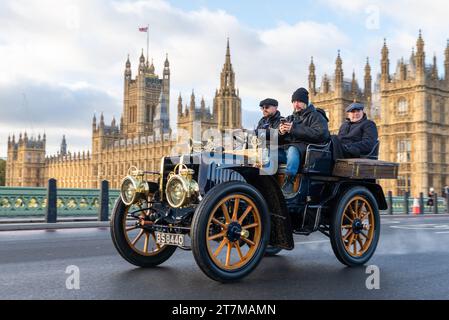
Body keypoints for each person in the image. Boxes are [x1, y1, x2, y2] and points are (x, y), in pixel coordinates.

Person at [278, 87, 330, 195]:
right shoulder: (290, 118)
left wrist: (293, 129)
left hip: (306, 150)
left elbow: (320, 134)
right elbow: (280, 138)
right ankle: (267, 183)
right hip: (287, 149)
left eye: (299, 101)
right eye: (294, 102)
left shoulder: (317, 116)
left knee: (293, 150)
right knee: (268, 153)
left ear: (306, 102)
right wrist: (281, 132)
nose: (296, 104)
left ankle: (289, 182)